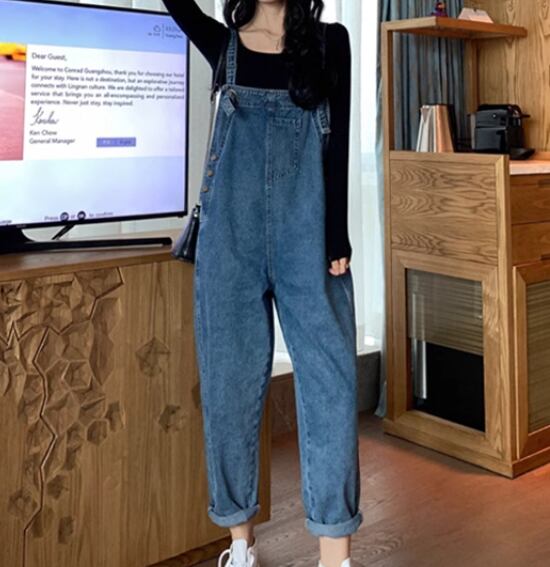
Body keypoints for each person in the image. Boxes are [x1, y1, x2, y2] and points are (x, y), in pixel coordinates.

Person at [162, 1, 363, 566]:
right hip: (230, 242)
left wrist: (337, 236)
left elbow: (339, 144)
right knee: (228, 390)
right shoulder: (222, 44)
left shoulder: (330, 42)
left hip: (310, 237)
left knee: (332, 388)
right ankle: (240, 544)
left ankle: (335, 557)